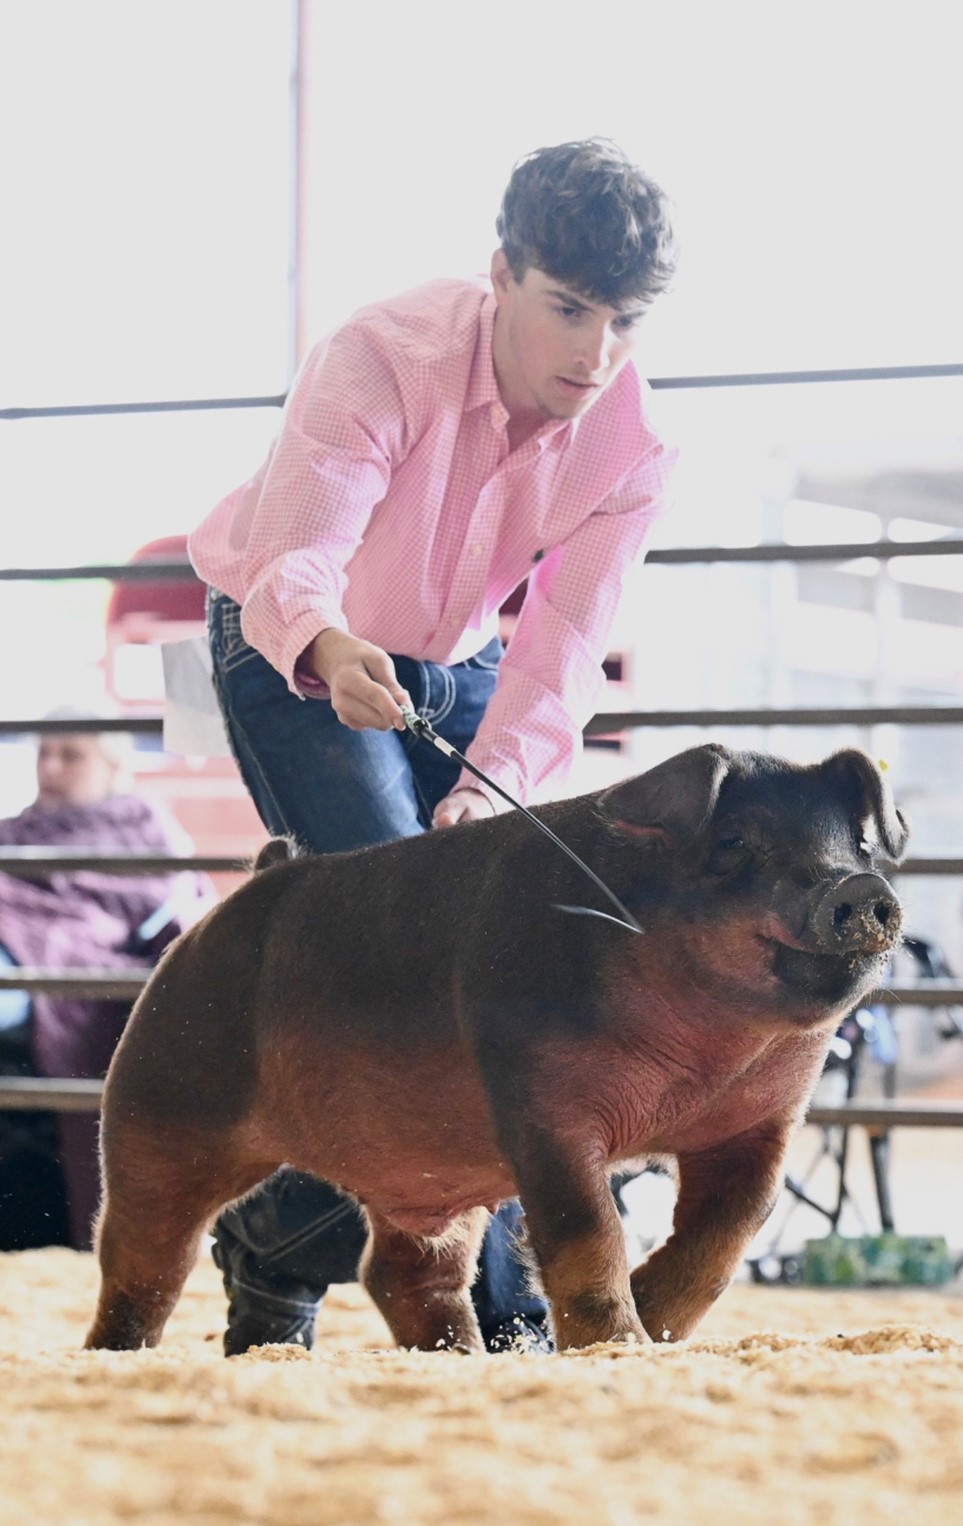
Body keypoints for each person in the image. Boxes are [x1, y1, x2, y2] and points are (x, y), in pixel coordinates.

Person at [188, 136, 679, 1356]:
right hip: (289, 638)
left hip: (455, 675)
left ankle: (276, 1247)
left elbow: (562, 650)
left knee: (487, 964)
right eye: (567, 309)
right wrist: (328, 644)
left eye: (622, 321)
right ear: (501, 273)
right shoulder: (380, 354)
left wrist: (478, 791)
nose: (593, 353)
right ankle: (508, 1312)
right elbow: (294, 561)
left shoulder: (633, 444)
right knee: (420, 961)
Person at [0, 708, 215, 1250]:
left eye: (70, 755)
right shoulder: (16, 829)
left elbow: (177, 916)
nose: (50, 766)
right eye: (44, 753)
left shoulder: (145, 830)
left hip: (52, 965)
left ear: (113, 764)